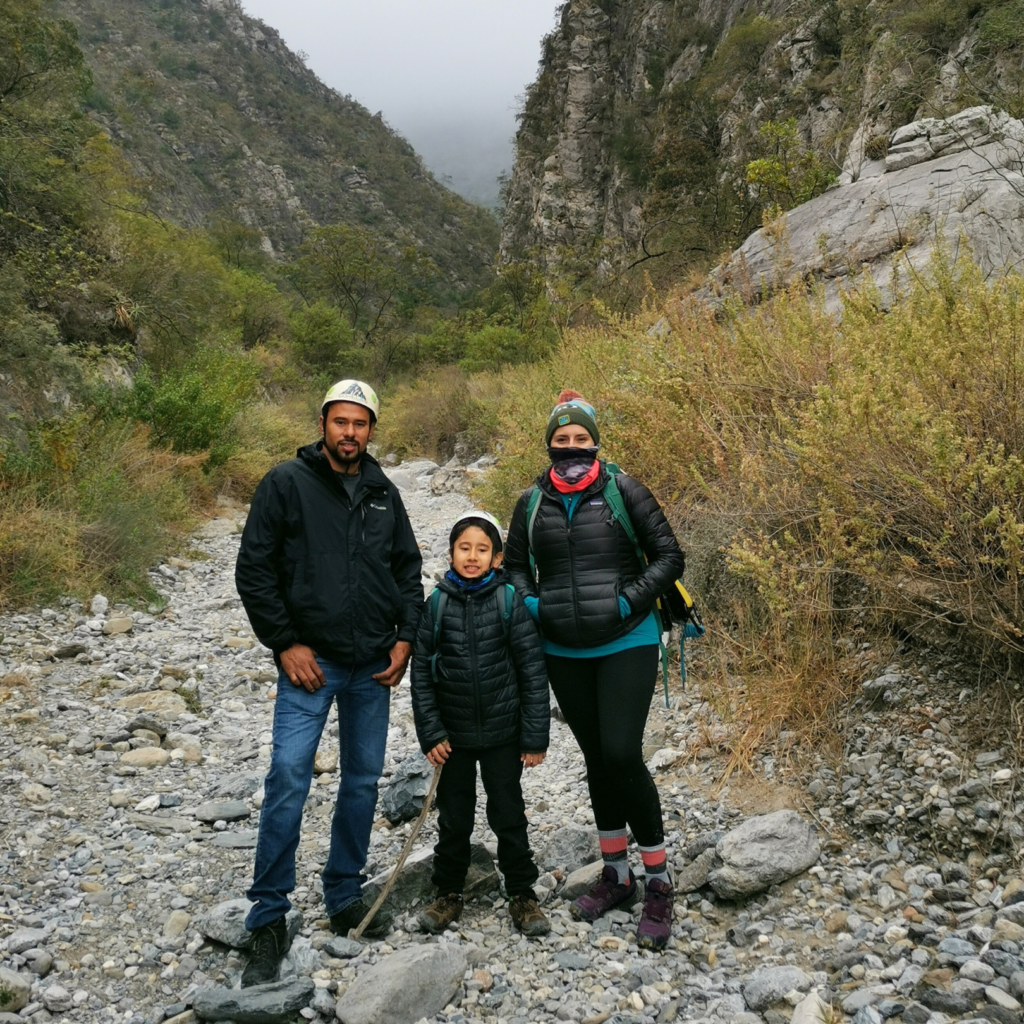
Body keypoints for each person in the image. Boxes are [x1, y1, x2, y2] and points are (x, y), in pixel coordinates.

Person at [234, 379, 423, 986]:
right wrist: (285, 642)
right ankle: (268, 915)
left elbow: (407, 570)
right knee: (289, 776)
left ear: (371, 430)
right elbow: (254, 568)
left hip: (372, 664)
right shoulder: (285, 483)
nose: (349, 432)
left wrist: (405, 638)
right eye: (340, 421)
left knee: (362, 781)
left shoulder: (383, 491)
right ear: (323, 424)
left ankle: (344, 893)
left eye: (360, 424)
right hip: (310, 663)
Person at [503, 390, 686, 952]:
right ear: (549, 444)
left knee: (621, 754)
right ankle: (617, 874)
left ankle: (658, 880)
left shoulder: (624, 490)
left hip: (627, 638)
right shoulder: (531, 502)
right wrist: (535, 607)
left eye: (581, 438)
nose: (571, 447)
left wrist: (628, 600)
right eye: (562, 439)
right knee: (596, 761)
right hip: (563, 650)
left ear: (596, 442)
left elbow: (669, 556)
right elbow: (515, 567)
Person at [410, 511, 551, 937]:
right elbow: (421, 675)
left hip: (503, 734)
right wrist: (431, 732)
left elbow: (532, 670)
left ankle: (522, 893)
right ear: (451, 553)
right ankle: (448, 892)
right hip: (452, 738)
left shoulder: (509, 602)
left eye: (482, 549)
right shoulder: (436, 604)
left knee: (508, 813)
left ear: (497, 558)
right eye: (464, 548)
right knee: (454, 817)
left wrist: (534, 737)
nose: (472, 557)